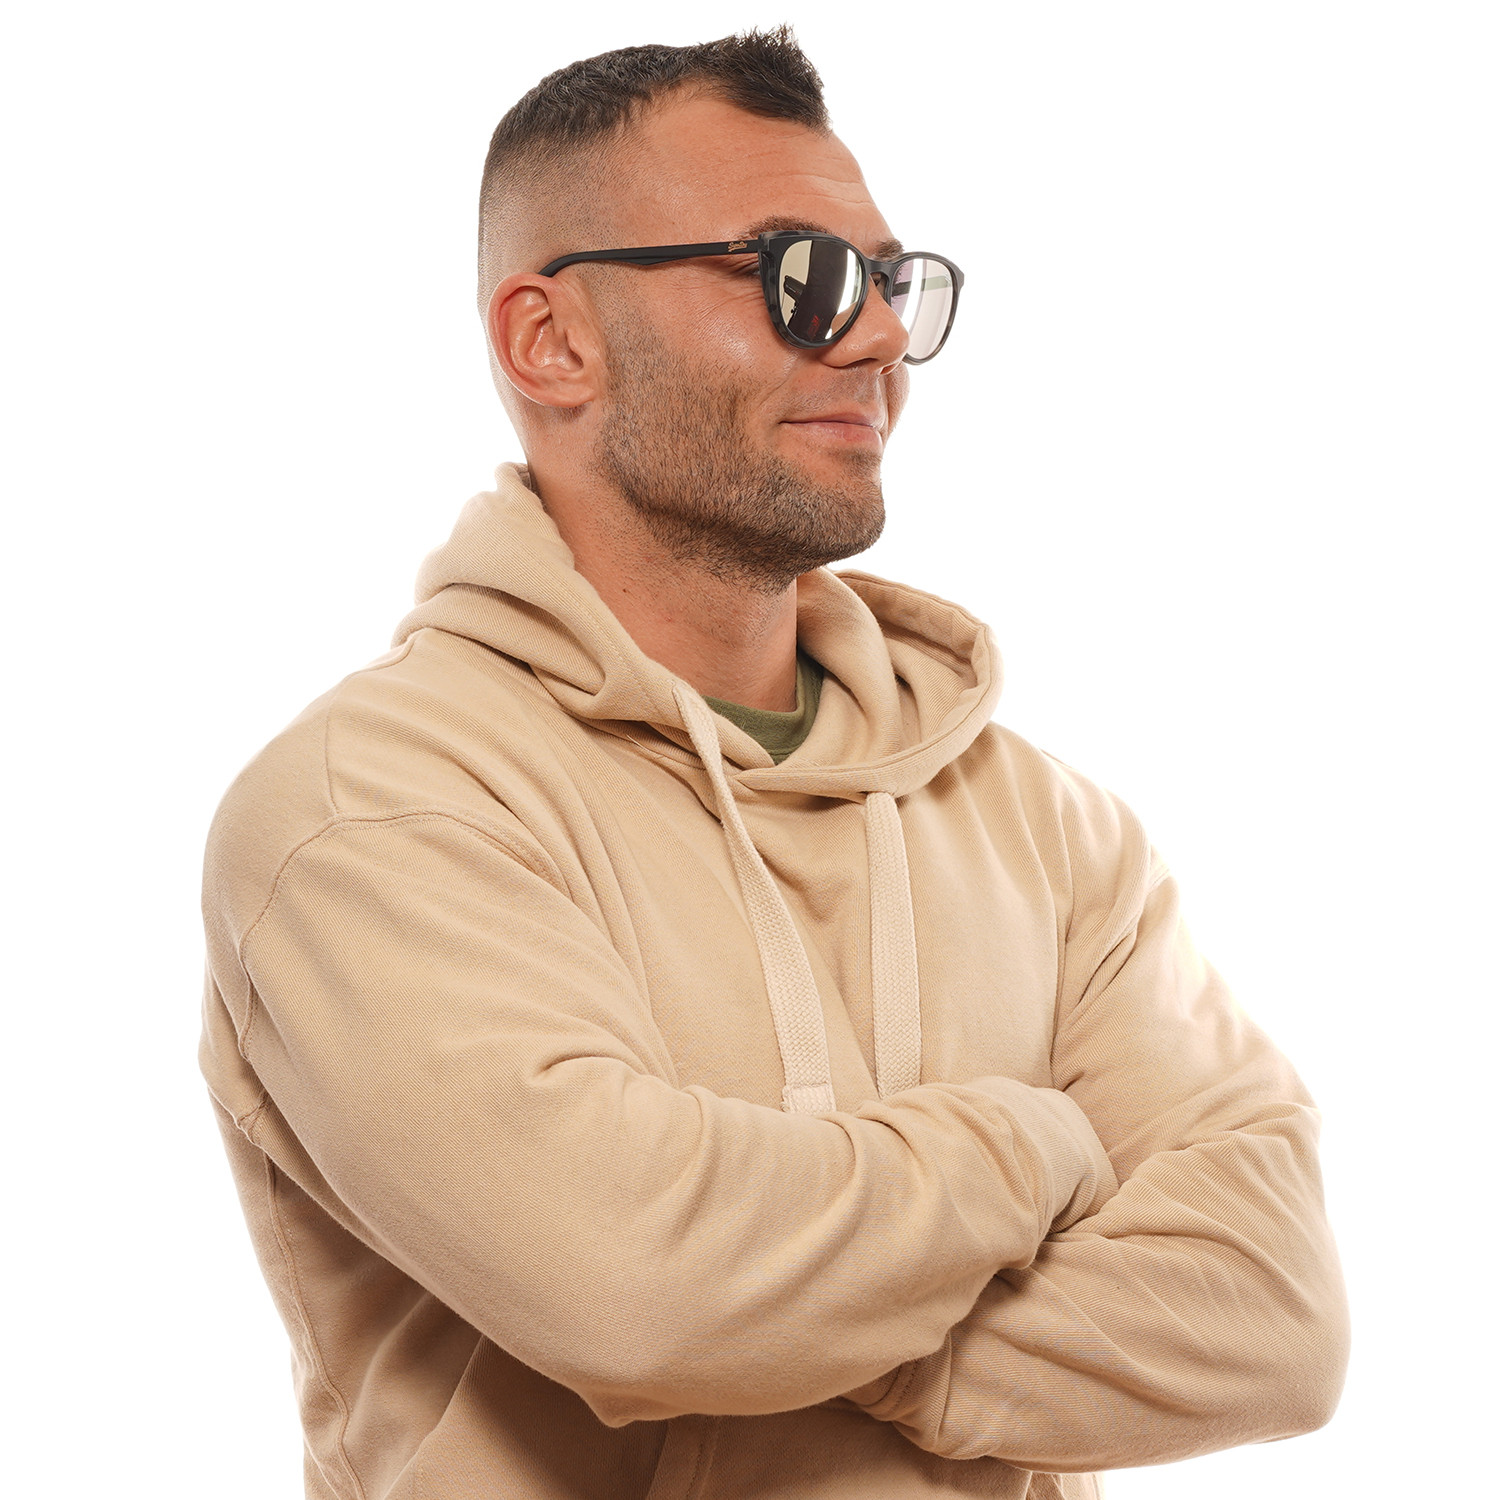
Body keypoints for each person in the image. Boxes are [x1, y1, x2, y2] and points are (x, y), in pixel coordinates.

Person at [199, 27, 1349, 1500]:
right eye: (799, 277)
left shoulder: (1047, 827)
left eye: (889, 282)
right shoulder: (366, 810)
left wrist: (790, 1322)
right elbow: (633, 1288)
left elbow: (1275, 1319)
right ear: (551, 341)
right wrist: (1036, 1146)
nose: (873, 340)